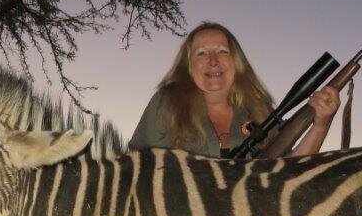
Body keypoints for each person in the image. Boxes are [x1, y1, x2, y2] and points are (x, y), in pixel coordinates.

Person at [128, 22, 340, 157]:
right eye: (201, 53)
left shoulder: (258, 110)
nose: (213, 61)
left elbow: (291, 169)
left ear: (236, 63)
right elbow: (146, 172)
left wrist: (321, 124)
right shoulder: (167, 103)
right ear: (188, 66)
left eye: (222, 51)